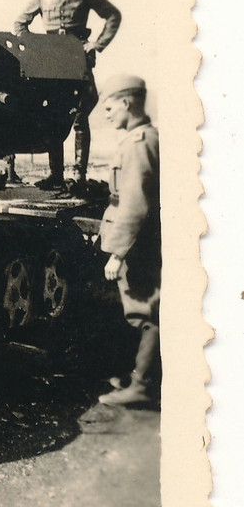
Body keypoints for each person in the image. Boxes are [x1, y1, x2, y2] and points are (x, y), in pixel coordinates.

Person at [14, 0, 121, 189]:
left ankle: (79, 175)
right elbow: (20, 23)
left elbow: (113, 15)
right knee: (54, 116)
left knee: (81, 115)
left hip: (77, 62)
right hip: (53, 66)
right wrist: (36, 49)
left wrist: (97, 44)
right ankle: (56, 175)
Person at [97, 74, 161, 407]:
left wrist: (118, 254)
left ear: (127, 103)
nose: (106, 114)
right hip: (137, 242)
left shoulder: (139, 144)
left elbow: (135, 204)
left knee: (144, 312)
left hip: (137, 245)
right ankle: (139, 375)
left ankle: (143, 386)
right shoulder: (139, 139)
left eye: (109, 107)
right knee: (140, 310)